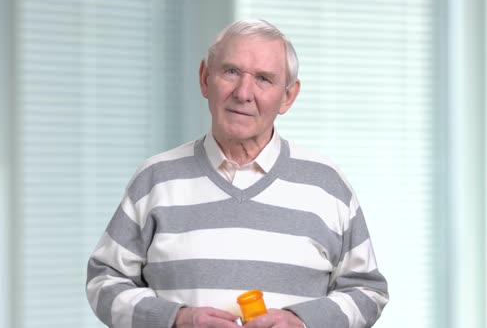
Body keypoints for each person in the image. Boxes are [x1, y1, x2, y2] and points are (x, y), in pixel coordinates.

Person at [86, 19, 389, 328]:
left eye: (263, 79)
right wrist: (176, 320)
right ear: (205, 78)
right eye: (231, 71)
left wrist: (302, 322)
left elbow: (367, 292)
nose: (243, 93)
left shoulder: (327, 184)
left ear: (288, 96)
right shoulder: (155, 179)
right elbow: (105, 282)